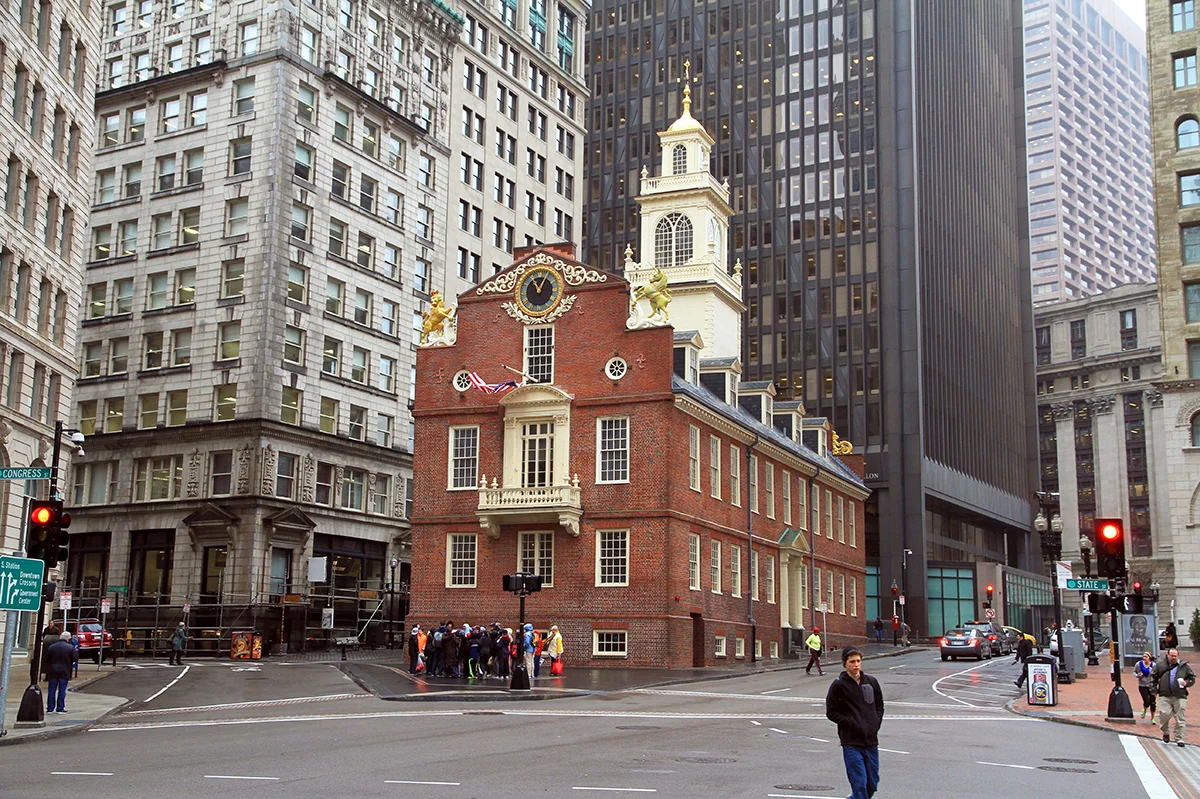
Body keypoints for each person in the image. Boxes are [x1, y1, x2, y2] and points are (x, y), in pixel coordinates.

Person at [826, 646, 885, 799]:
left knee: (872, 784)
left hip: (871, 742)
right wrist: (850, 722)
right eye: (852, 661)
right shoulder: (838, 685)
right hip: (851, 742)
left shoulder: (871, 682)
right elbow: (831, 712)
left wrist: (875, 723)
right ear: (844, 663)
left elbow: (879, 705)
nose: (856, 665)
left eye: (858, 661)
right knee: (859, 785)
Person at [1153, 648, 1196, 746]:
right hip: (1165, 694)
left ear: (1178, 656)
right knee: (1164, 714)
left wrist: (1187, 683)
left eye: (1175, 656)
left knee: (1180, 717)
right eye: (1171, 656)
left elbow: (1192, 678)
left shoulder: (1184, 667)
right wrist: (1153, 689)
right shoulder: (1160, 666)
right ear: (1167, 655)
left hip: (1180, 695)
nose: (1173, 658)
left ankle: (1179, 738)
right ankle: (1166, 732)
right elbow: (1153, 677)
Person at [45, 631, 78, 714]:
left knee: (52, 690)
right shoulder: (70, 648)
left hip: (53, 670)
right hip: (65, 670)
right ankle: (60, 707)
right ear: (67, 639)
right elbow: (75, 658)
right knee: (62, 690)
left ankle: (50, 708)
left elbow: (46, 658)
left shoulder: (52, 647)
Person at [1135, 651, 1157, 722]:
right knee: (1146, 701)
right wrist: (1138, 675)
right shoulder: (1139, 664)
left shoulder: (1153, 665)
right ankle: (1144, 710)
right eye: (1143, 656)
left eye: (1146, 657)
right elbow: (1134, 672)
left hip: (1152, 685)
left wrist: (1153, 674)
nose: (1144, 658)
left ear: (1149, 658)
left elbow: (1157, 675)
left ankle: (1153, 718)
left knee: (1153, 702)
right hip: (1143, 685)